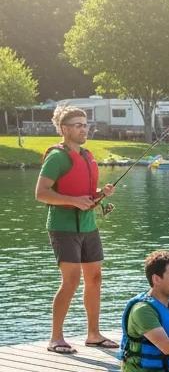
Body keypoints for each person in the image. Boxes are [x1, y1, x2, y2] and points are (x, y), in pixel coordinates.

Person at [35, 105, 117, 354]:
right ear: (64, 129)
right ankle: (56, 338)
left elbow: (85, 197)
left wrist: (100, 194)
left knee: (95, 278)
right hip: (63, 227)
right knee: (70, 281)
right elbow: (41, 193)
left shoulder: (87, 155)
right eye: (79, 125)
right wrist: (73, 201)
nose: (85, 129)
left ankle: (93, 334)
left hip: (89, 226)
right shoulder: (56, 157)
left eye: (86, 124)